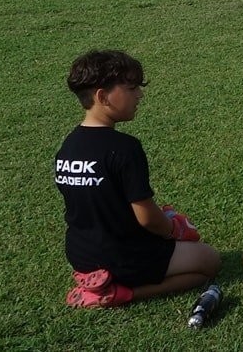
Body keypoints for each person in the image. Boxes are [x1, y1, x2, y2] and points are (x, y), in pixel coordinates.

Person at [55, 49, 221, 308]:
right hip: (124, 255)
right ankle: (119, 293)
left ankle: (99, 281)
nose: (139, 95)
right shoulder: (124, 148)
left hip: (82, 255)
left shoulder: (68, 147)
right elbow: (146, 217)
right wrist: (174, 230)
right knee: (209, 262)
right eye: (132, 88)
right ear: (102, 96)